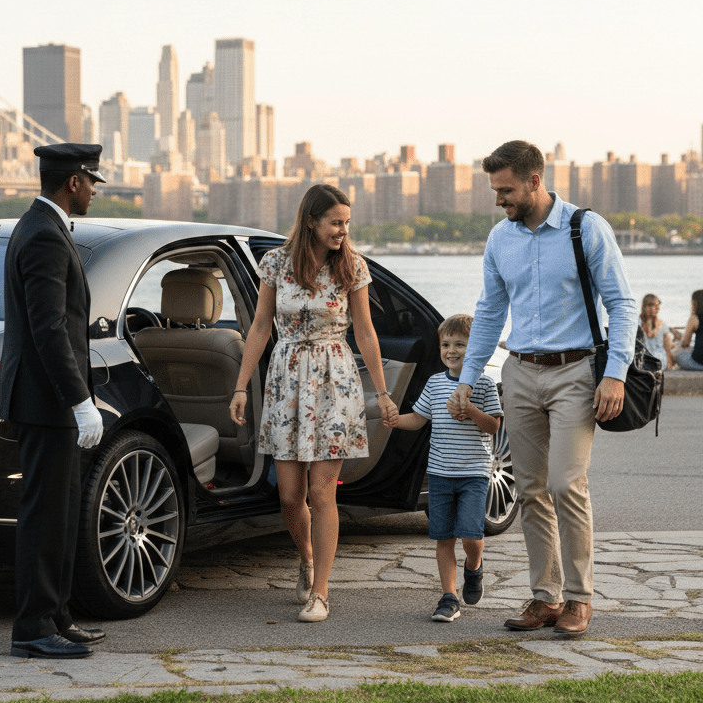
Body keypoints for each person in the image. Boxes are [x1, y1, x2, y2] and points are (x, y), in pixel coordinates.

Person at [447, 140, 636, 638]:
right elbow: (489, 312)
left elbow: (623, 304)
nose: (498, 199)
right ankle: (545, 597)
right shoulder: (499, 239)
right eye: (494, 189)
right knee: (529, 490)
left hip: (576, 372)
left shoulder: (585, 228)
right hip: (520, 372)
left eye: (505, 189)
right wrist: (468, 377)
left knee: (564, 483)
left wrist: (615, 372)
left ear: (535, 181)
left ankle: (579, 599)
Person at [229, 184, 398, 623]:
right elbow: (261, 326)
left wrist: (381, 392)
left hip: (334, 381)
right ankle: (306, 558)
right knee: (289, 496)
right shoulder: (276, 264)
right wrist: (241, 385)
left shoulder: (352, 267)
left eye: (347, 222)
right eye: (336, 222)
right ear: (311, 221)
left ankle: (321, 591)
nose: (344, 230)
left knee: (323, 493)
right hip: (286, 379)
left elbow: (365, 332)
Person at [0, 143, 107, 659]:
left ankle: (58, 616)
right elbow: (49, 328)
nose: (92, 192)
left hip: (49, 400)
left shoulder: (41, 227)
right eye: (91, 182)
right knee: (44, 515)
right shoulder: (43, 234)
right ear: (73, 182)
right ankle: (33, 627)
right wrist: (79, 399)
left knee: (62, 513)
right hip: (46, 402)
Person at [388, 314, 502, 622]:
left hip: (473, 474)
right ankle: (449, 597)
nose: (451, 350)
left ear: (475, 347)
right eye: (446, 344)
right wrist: (397, 421)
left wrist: (470, 410)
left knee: (471, 537)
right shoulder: (435, 383)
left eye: (460, 344)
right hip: (440, 474)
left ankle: (474, 566)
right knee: (443, 537)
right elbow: (419, 418)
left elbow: (493, 426)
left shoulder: (484, 383)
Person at [639, 294, 675, 370]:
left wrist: (669, 367)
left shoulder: (661, 324)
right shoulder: (638, 323)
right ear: (646, 307)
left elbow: (667, 348)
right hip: (652, 359)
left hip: (650, 360)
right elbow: (667, 348)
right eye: (654, 306)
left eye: (658, 305)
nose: (658, 308)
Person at [674, 289, 703, 371]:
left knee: (677, 355)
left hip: (700, 363)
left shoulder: (694, 318)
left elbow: (685, 344)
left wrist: (679, 341)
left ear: (694, 303)